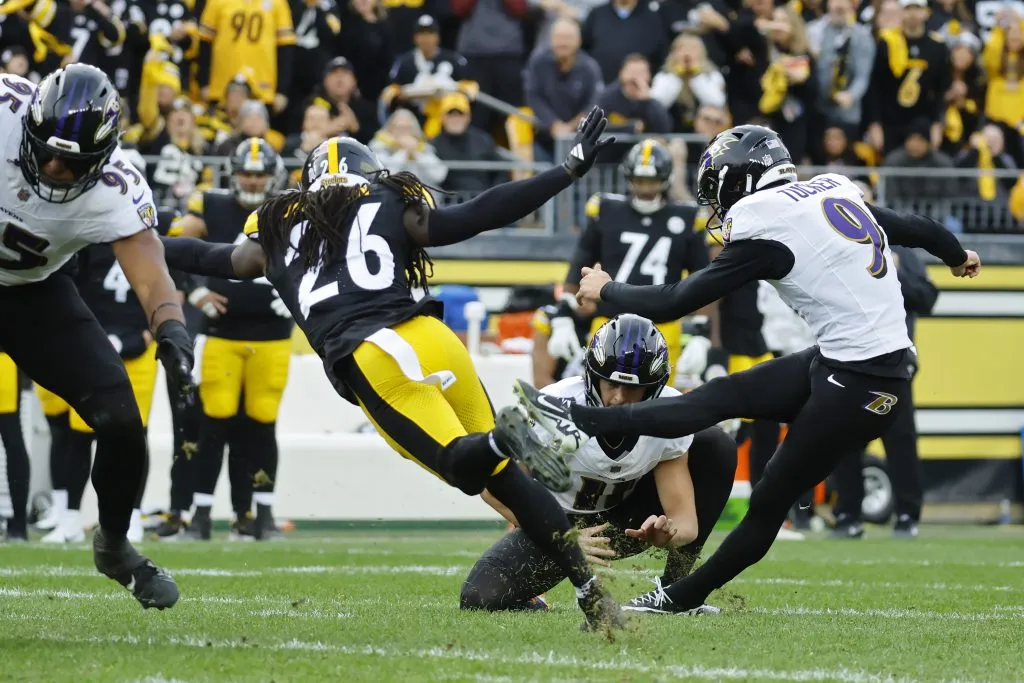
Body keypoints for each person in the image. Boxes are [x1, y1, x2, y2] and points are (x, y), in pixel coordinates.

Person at [159, 110, 628, 630]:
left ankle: (504, 437)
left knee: (466, 466)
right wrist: (563, 171)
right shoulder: (389, 199)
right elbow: (476, 214)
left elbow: (208, 256)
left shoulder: (278, 221)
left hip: (374, 357)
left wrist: (133, 242)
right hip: (431, 337)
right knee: (504, 478)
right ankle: (591, 595)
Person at [515, 124, 980, 614]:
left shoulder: (769, 226)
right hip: (840, 360)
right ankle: (581, 419)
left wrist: (605, 290)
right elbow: (914, 227)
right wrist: (956, 255)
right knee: (719, 398)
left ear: (741, 181)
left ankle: (678, 596)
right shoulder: (833, 189)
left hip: (868, 382)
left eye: (718, 187)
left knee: (769, 498)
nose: (716, 203)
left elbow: (677, 300)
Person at [0, 64, 194, 609]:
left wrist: (173, 331)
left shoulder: (115, 187)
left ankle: (113, 544)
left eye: (75, 161)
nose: (58, 169)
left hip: (32, 293)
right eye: (49, 152)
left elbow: (151, 272)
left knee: (122, 422)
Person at [461, 314, 737, 614]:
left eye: (633, 388)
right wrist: (557, 534)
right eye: (611, 384)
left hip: (625, 525)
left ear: (654, 387)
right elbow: (492, 486)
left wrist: (666, 534)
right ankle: (534, 599)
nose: (618, 398)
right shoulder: (556, 405)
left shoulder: (668, 413)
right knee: (480, 597)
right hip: (556, 524)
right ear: (593, 376)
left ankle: (677, 593)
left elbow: (685, 522)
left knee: (714, 444)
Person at [169, 137, 292, 541]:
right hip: (223, 332)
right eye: (246, 173)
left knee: (262, 424)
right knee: (213, 424)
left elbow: (322, 253)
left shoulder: (292, 208)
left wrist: (299, 297)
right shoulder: (212, 204)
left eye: (259, 174)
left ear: (272, 176)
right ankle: (201, 516)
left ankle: (262, 516)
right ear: (233, 173)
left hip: (272, 337)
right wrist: (194, 290)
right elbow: (170, 247)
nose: (253, 181)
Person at [546, 139, 714, 385]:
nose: (646, 188)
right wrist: (563, 314)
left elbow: (703, 280)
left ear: (665, 179)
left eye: (652, 180)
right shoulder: (606, 209)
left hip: (663, 323)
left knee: (656, 402)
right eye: (640, 180)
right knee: (602, 392)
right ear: (628, 177)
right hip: (609, 320)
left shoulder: (687, 218)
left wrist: (702, 332)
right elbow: (579, 264)